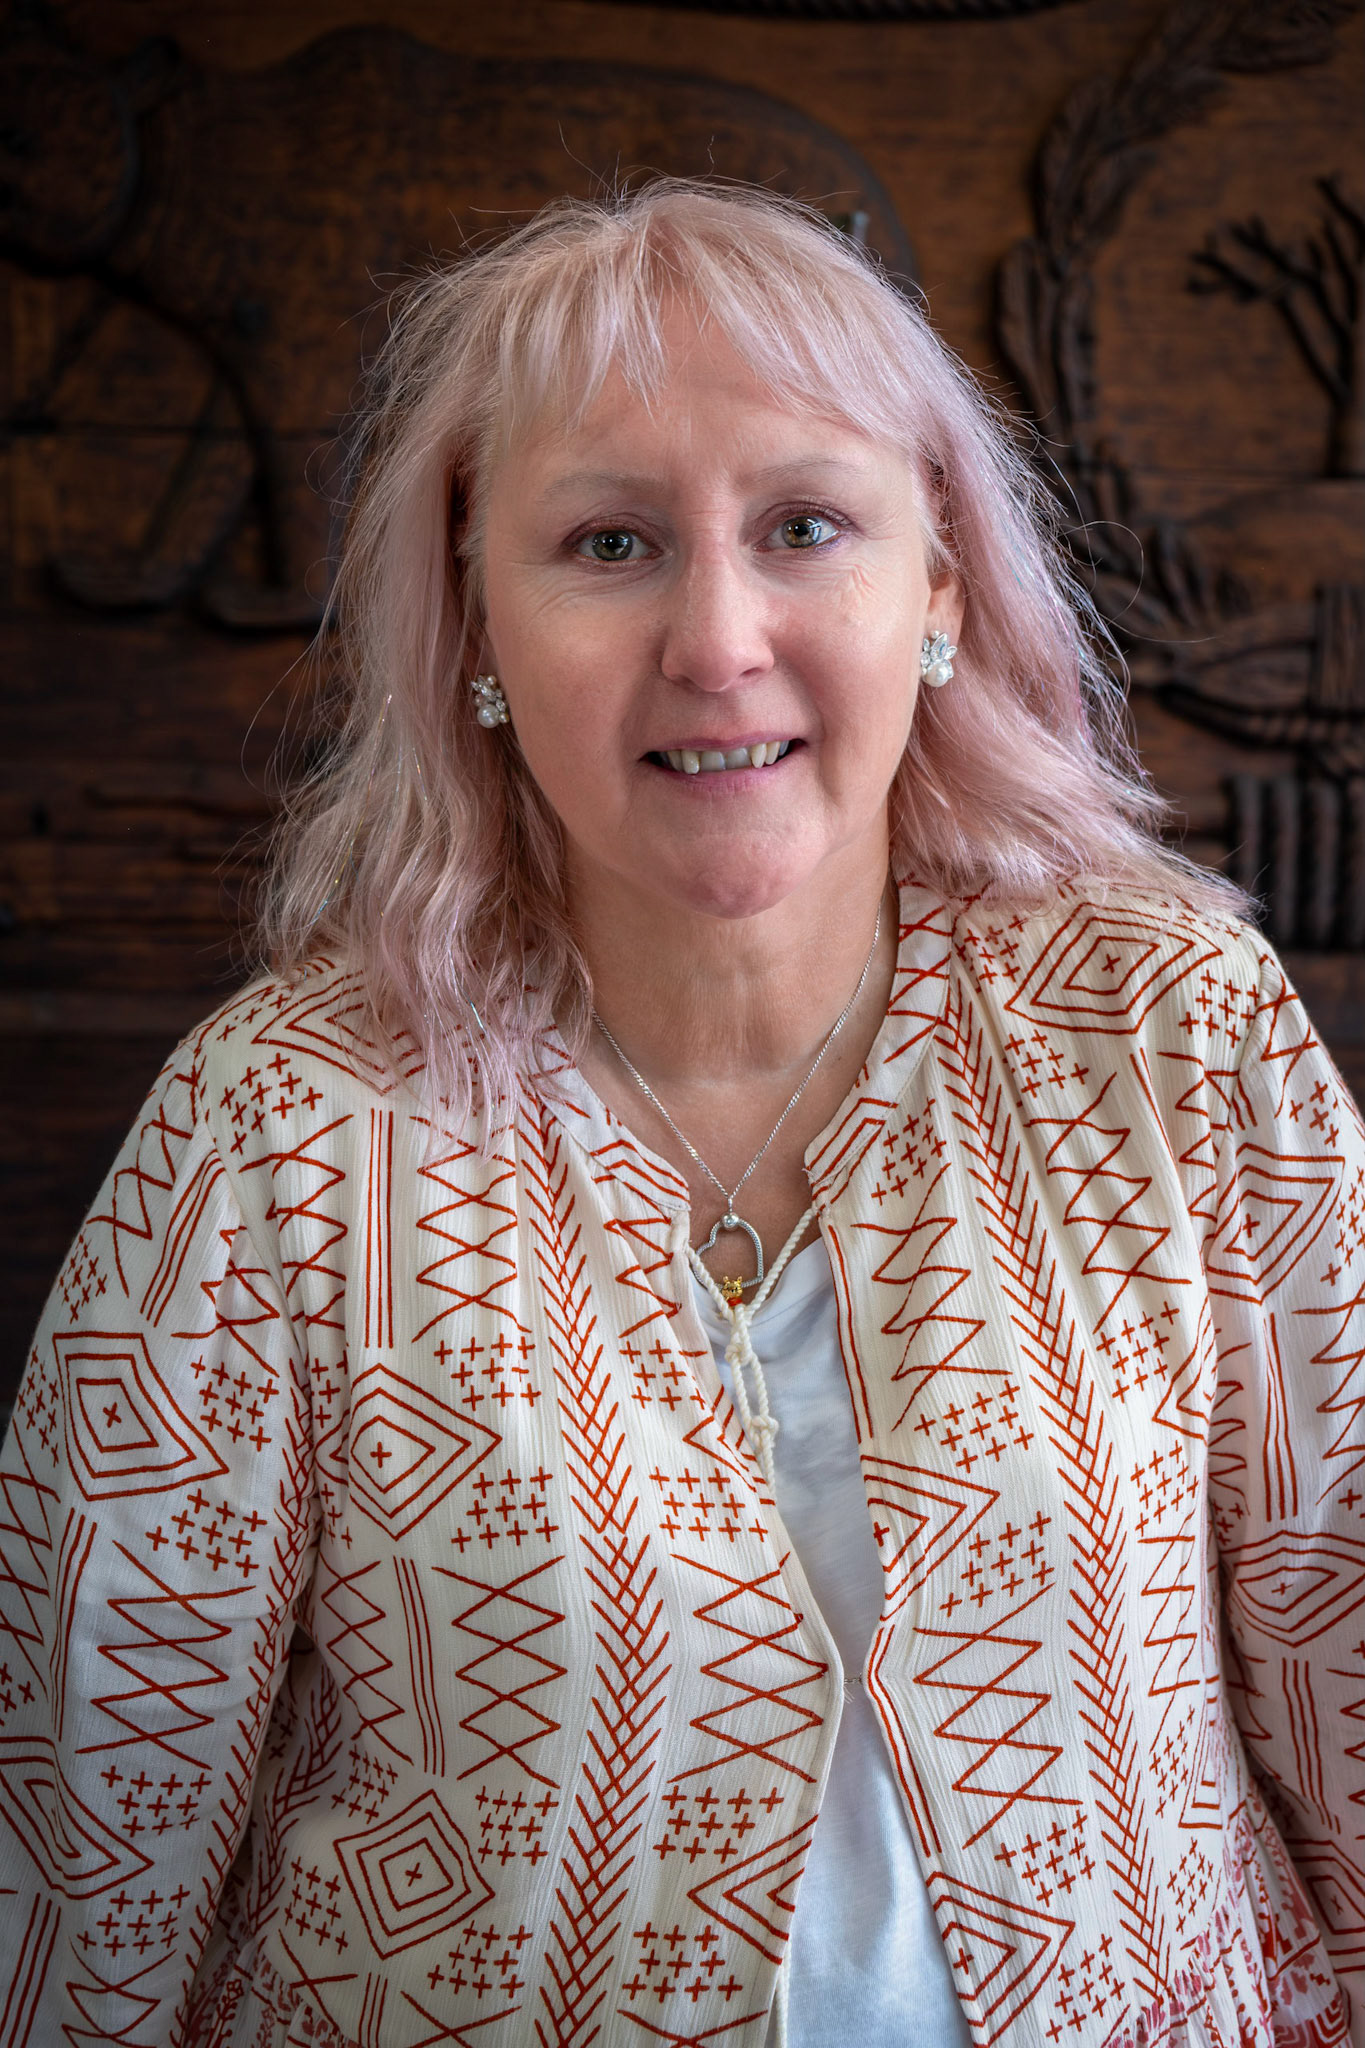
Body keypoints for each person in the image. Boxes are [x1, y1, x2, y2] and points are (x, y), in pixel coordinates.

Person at [1, 179, 1360, 2048]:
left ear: (939, 589)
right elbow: (81, 1852)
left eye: (804, 525)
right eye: (611, 543)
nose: (718, 640)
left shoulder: (1170, 1028)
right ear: (473, 615)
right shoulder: (276, 1126)